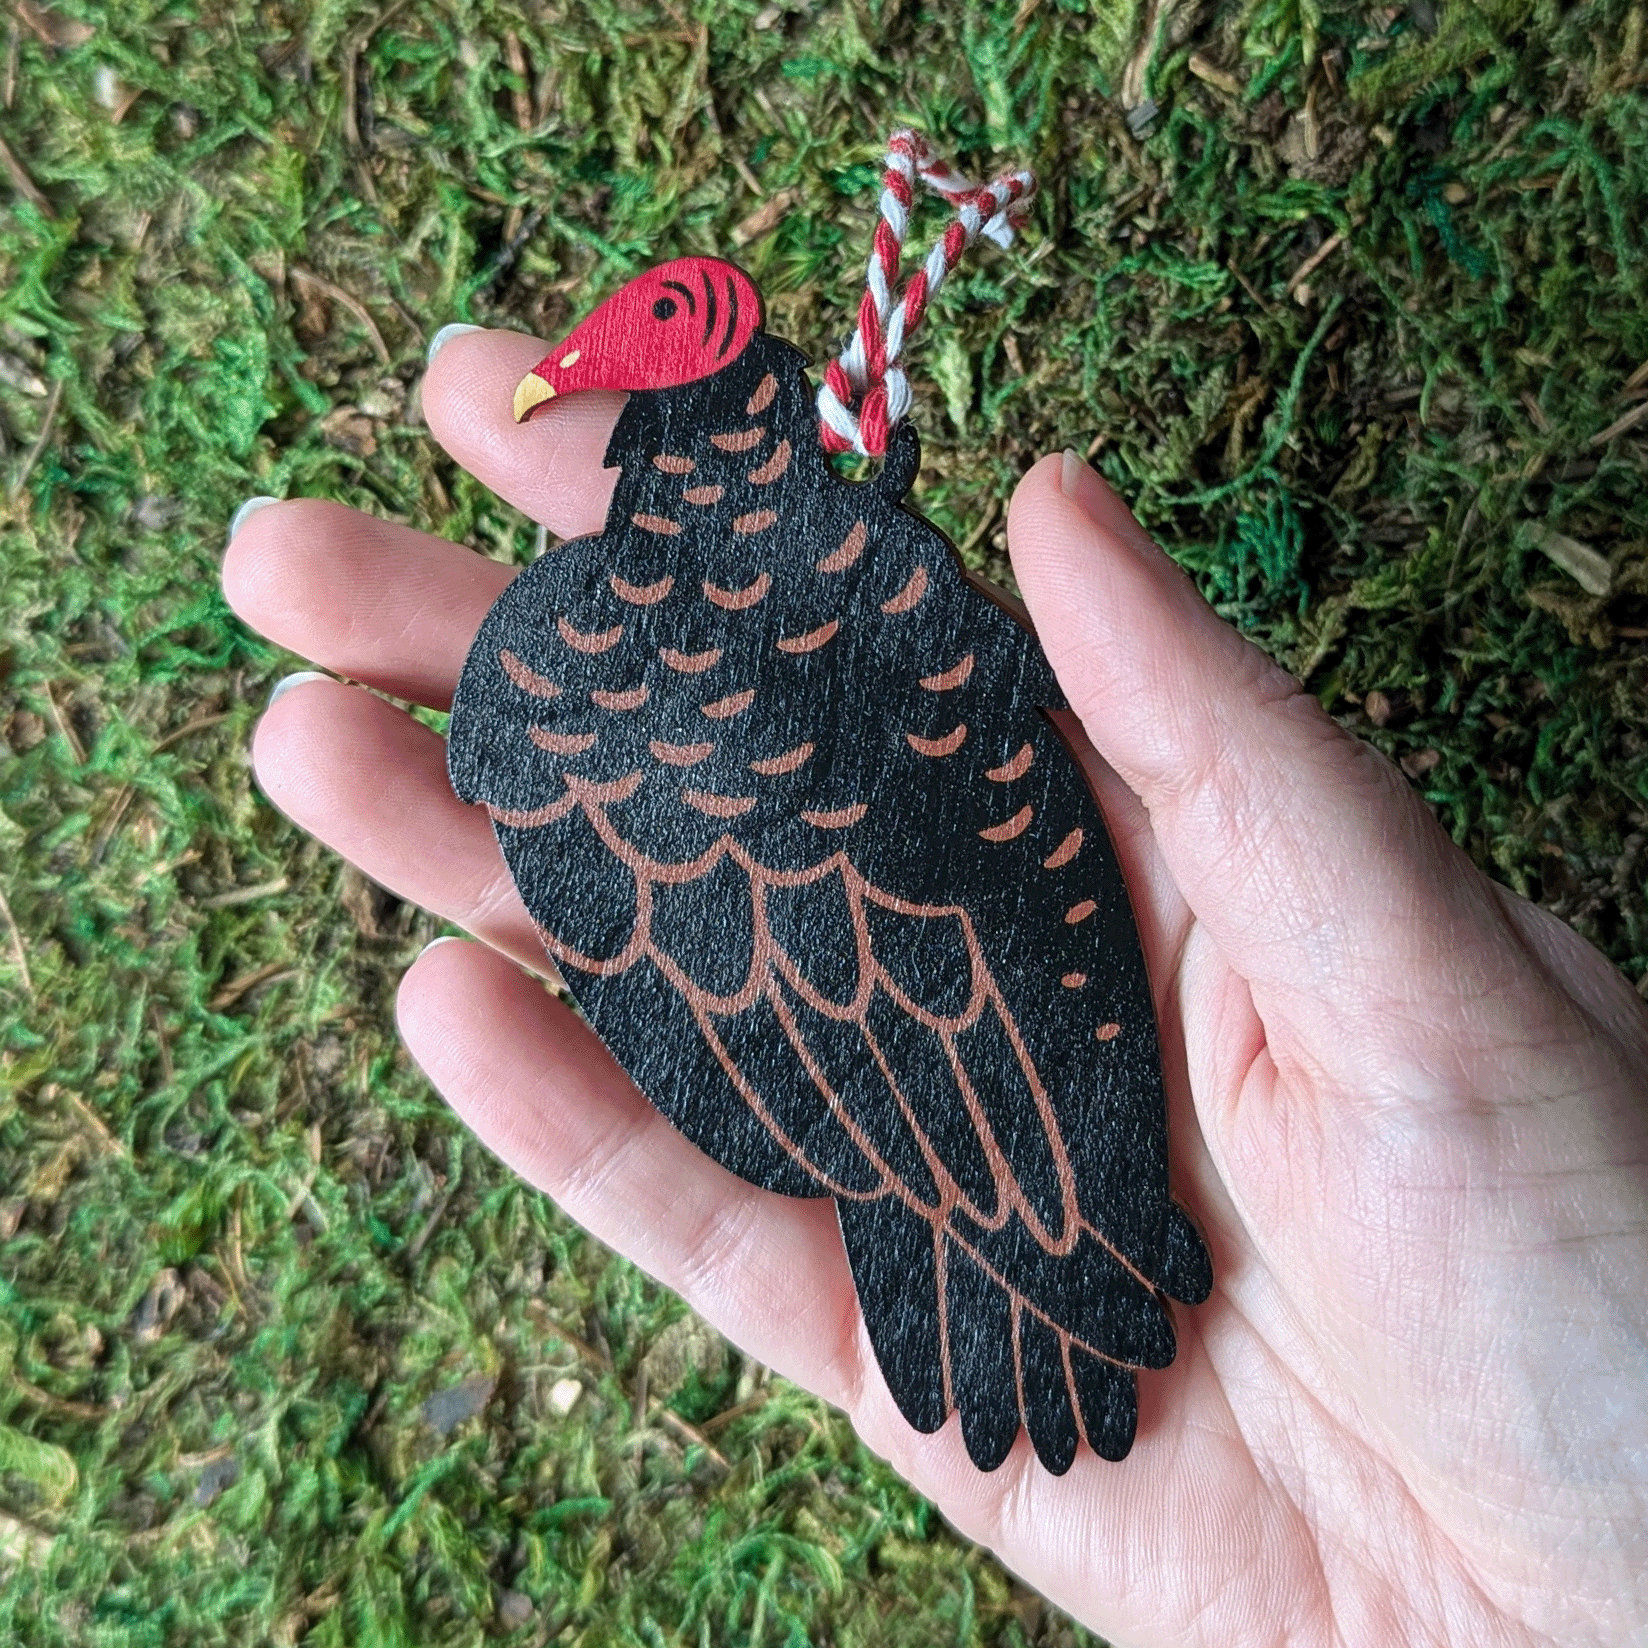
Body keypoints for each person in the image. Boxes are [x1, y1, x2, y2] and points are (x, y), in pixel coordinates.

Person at [222, 323, 1648, 1648]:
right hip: (958, 1174)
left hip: (1033, 1151)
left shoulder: (820, 601)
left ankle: (1033, 1219)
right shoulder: (607, 646)